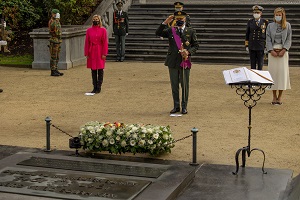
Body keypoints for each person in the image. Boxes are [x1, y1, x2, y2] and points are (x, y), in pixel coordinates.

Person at [156, 11, 199, 114]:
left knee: (184, 85)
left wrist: (188, 52)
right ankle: (176, 106)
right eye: (178, 19)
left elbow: (196, 45)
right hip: (173, 61)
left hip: (185, 61)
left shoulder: (190, 31)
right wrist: (166, 22)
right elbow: (158, 33)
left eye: (181, 19)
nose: (180, 21)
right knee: (174, 85)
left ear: (185, 19)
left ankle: (184, 106)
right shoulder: (171, 30)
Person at [266, 7, 292, 105]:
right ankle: (273, 96)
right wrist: (270, 50)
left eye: (279, 15)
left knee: (282, 74)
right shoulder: (270, 26)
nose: (278, 16)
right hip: (272, 51)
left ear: (283, 15)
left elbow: (289, 39)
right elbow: (267, 38)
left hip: (283, 53)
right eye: (276, 15)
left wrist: (284, 49)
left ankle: (280, 96)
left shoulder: (288, 25)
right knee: (273, 73)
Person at [84, 15, 108, 94]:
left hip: (100, 50)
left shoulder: (103, 30)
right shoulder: (89, 30)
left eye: (97, 19)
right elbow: (87, 42)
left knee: (100, 69)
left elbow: (105, 43)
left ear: (99, 20)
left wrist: (104, 53)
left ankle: (99, 86)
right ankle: (94, 86)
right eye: (94, 19)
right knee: (93, 70)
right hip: (92, 51)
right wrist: (86, 52)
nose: (95, 20)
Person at [245, 5, 268, 70]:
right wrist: (246, 45)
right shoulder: (250, 21)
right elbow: (247, 33)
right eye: (255, 13)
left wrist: (266, 46)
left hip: (260, 45)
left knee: (260, 64)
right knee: (253, 64)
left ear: (261, 13)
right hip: (252, 45)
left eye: (257, 13)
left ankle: (259, 78)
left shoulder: (265, 22)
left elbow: (266, 34)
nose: (256, 14)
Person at [48, 9, 64, 76]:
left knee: (57, 56)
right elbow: (53, 29)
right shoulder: (52, 21)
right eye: (55, 13)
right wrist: (57, 20)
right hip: (54, 40)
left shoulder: (57, 21)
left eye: (57, 14)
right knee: (53, 56)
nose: (55, 15)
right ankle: (53, 70)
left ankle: (56, 69)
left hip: (58, 40)